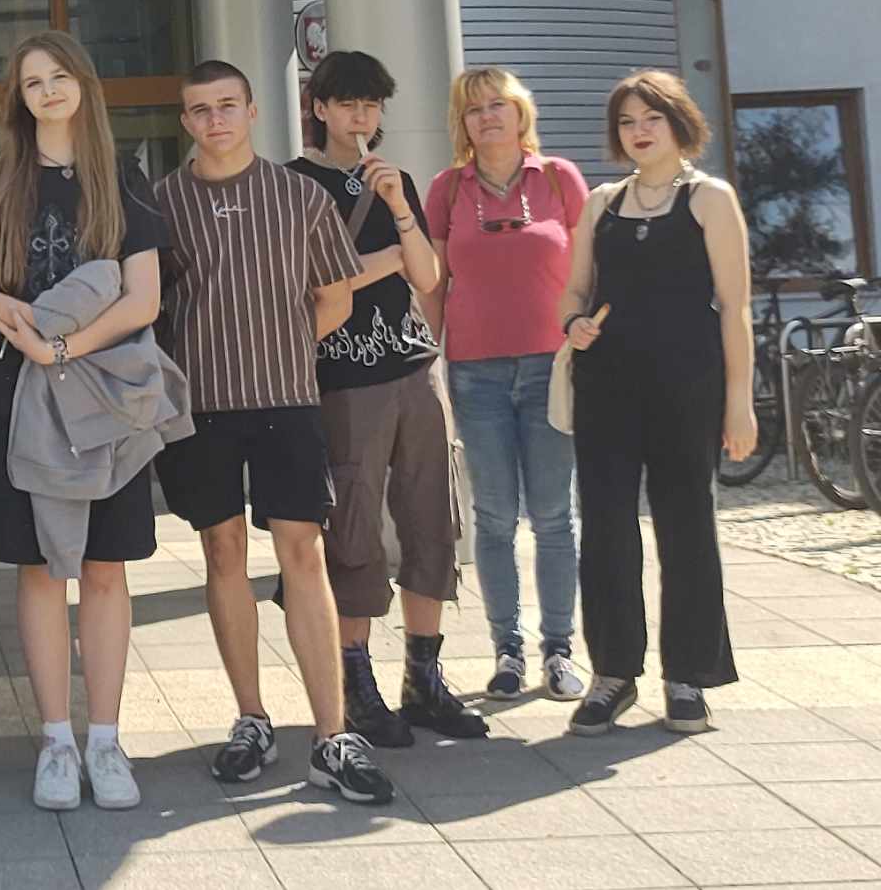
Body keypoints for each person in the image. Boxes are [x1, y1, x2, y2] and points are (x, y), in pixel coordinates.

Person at [153, 60, 394, 806]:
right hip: (200, 409)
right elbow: (150, 307)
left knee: (303, 553)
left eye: (227, 105)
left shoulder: (299, 195)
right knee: (221, 551)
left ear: (253, 111)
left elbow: (334, 299)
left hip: (286, 401)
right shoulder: (160, 203)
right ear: (185, 121)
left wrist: (281, 352)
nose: (215, 119)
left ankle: (332, 736)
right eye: (200, 109)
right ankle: (252, 720)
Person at [0, 31, 165, 813]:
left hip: (106, 394)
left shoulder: (121, 174)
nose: (47, 90)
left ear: (84, 83)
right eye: (33, 81)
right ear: (19, 96)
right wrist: (27, 330)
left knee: (106, 568)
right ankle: (56, 741)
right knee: (40, 569)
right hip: (19, 397)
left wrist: (66, 344)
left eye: (59, 75)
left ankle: (105, 739)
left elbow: (144, 299)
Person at [286, 52, 485, 747]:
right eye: (347, 103)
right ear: (319, 108)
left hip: (414, 366)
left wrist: (399, 209)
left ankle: (424, 678)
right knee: (355, 528)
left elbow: (427, 275)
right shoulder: (296, 184)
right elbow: (312, 285)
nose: (360, 117)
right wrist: (389, 260)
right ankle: (356, 683)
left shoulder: (396, 179)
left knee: (433, 518)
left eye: (370, 105)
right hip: (343, 378)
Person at [560, 71, 753, 736]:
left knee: (687, 527)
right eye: (627, 122)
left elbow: (735, 308)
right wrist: (572, 324)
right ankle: (613, 674)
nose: (639, 131)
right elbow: (573, 292)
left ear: (678, 123)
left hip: (687, 388)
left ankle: (688, 676)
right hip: (606, 389)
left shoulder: (710, 198)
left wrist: (740, 403)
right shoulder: (601, 203)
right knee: (605, 530)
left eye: (651, 118)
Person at [423, 67, 588, 703]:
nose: (487, 116)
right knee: (492, 517)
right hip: (476, 373)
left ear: (521, 113)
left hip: (551, 368)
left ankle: (559, 649)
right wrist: (429, 365)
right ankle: (507, 650)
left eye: (498, 105)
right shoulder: (448, 189)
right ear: (461, 123)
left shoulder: (559, 178)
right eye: (474, 109)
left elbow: (590, 271)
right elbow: (434, 283)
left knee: (553, 516)